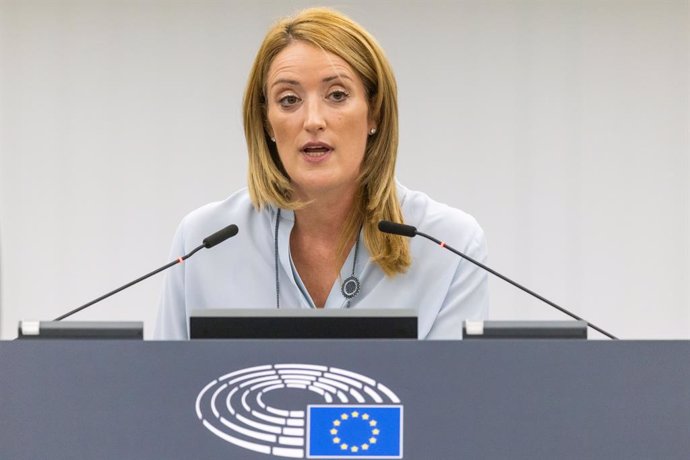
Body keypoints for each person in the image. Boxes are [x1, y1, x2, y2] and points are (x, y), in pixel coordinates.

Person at [154, 7, 488, 340]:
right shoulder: (204, 241)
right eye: (289, 100)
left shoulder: (448, 245)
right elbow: (163, 387)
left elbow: (456, 391)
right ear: (267, 122)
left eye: (337, 95)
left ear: (375, 113)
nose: (313, 120)